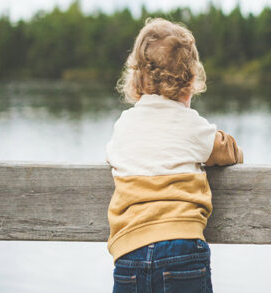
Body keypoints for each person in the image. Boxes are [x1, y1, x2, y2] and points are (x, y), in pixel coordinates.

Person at [105, 18, 243, 293]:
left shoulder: (123, 126)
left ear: (135, 81)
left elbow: (112, 156)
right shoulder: (191, 125)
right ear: (190, 81)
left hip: (129, 253)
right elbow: (230, 153)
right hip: (183, 249)